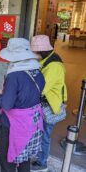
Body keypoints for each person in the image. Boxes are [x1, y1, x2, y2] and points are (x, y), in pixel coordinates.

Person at [0, 38, 45, 172]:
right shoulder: (37, 71)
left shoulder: (14, 75)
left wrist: (0, 94)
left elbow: (6, 105)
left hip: (14, 125)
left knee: (7, 160)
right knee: (24, 158)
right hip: (33, 123)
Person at [30, 35, 67, 172]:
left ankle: (42, 163)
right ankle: (39, 156)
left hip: (50, 106)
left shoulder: (53, 66)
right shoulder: (48, 59)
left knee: (44, 135)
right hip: (47, 104)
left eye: (35, 52)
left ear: (42, 51)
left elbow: (41, 88)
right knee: (41, 133)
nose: (34, 54)